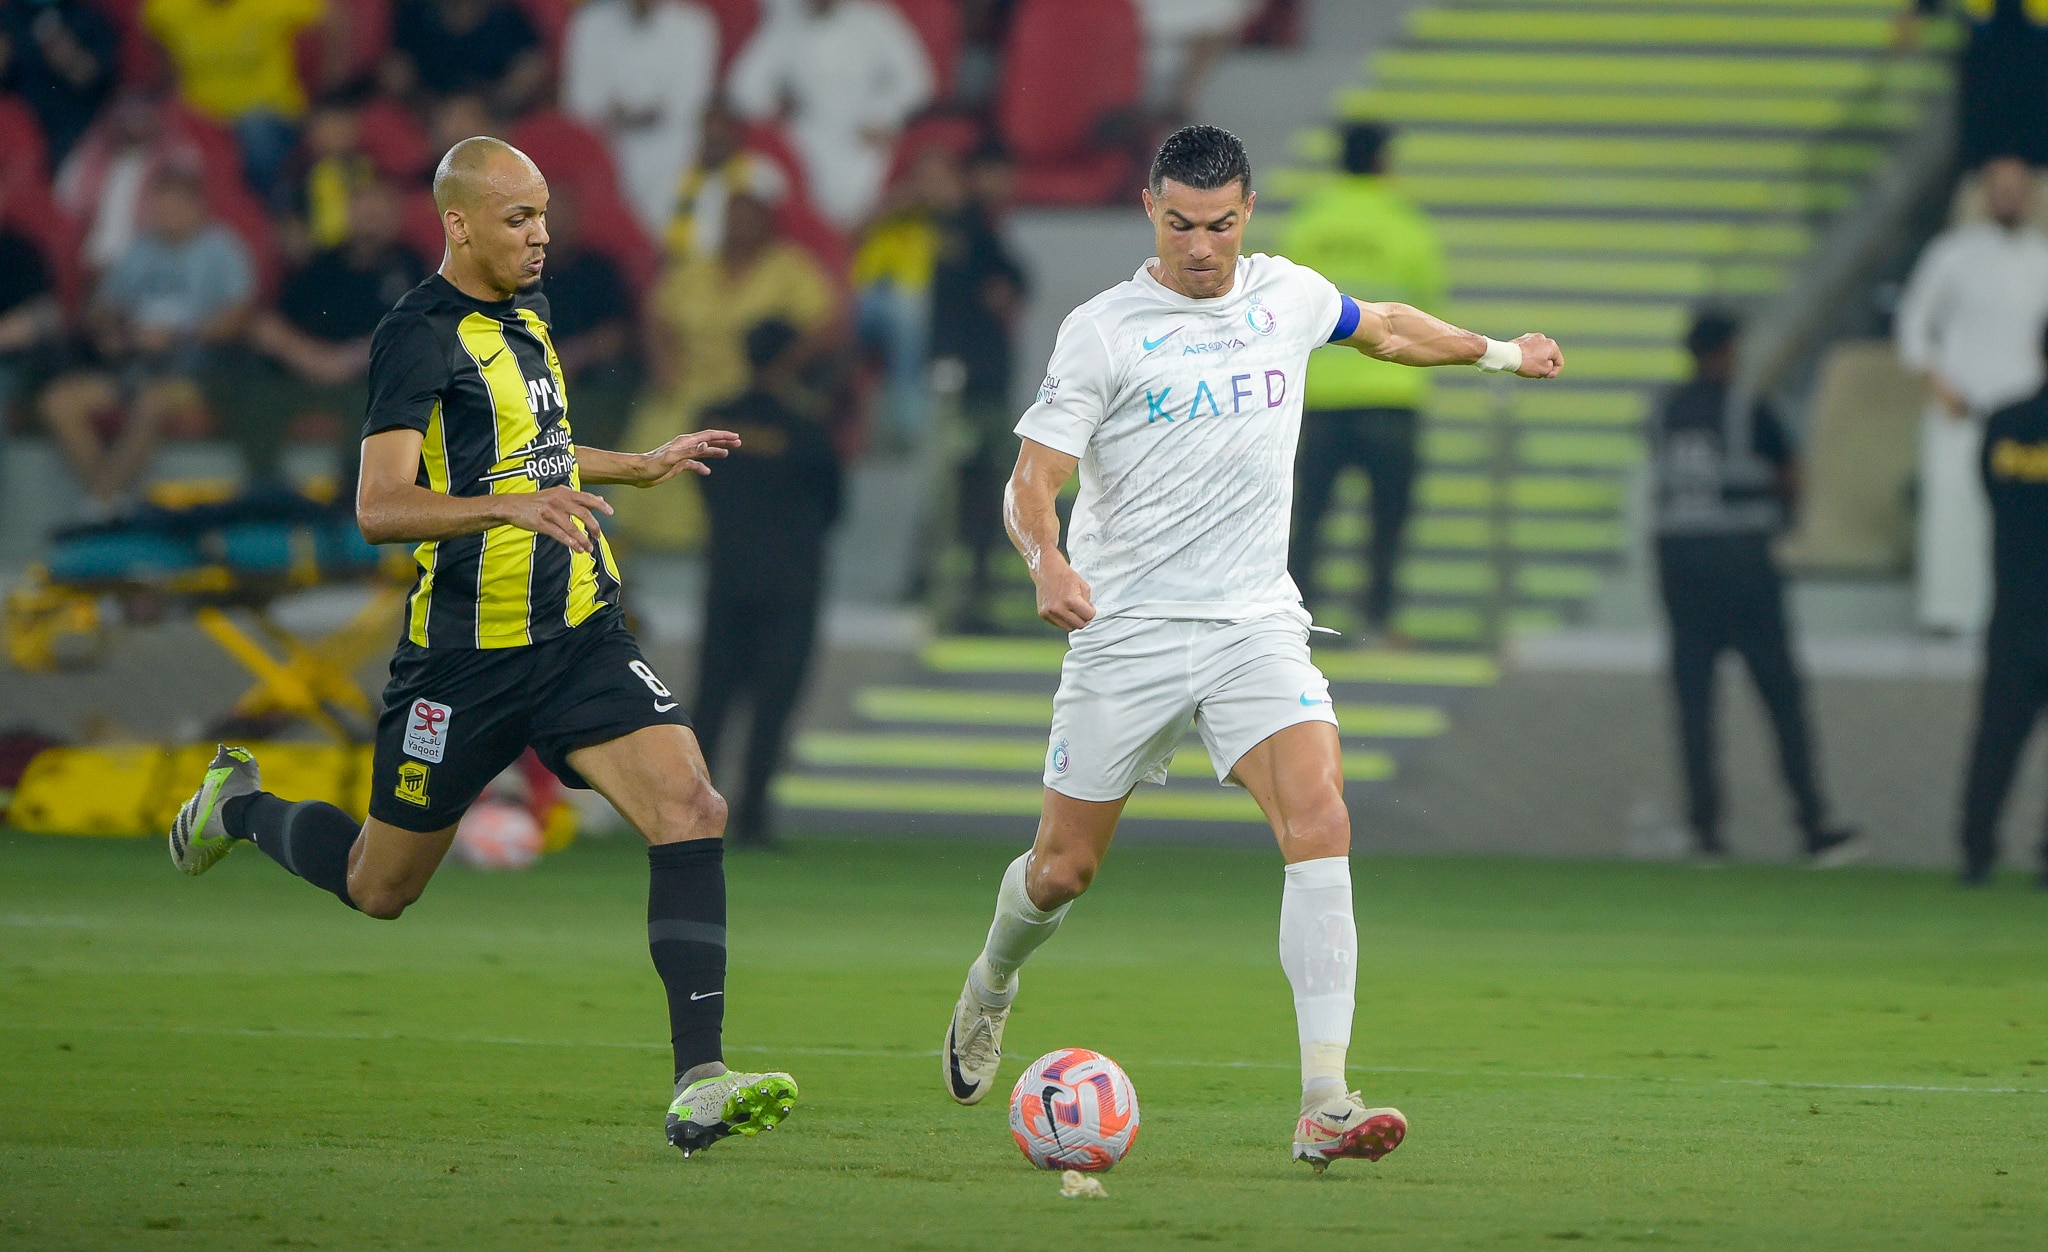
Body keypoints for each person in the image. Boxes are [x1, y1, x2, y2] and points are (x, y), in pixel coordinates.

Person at [937, 125, 1563, 1172]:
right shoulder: (1102, 331)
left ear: (1247, 212)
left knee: (1320, 816)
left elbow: (1386, 329)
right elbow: (1031, 478)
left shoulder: (1286, 295)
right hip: (1124, 631)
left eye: (1220, 224)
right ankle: (992, 979)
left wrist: (1496, 353)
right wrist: (1045, 561)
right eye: (1180, 224)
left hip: (1250, 626)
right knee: (1060, 871)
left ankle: (1324, 1099)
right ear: (1149, 210)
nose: (1200, 247)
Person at [163, 135, 800, 1157]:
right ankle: (237, 806)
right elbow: (378, 507)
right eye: (517, 218)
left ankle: (701, 1079)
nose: (541, 234)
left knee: (690, 804)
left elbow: (531, 453)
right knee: (381, 885)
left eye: (543, 213)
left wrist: (632, 466)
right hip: (461, 659)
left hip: (579, 633)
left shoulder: (529, 317)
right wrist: (510, 509)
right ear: (458, 224)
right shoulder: (416, 334)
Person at [1649, 311, 1862, 866]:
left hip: (1681, 573)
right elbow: (1791, 474)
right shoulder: (1747, 407)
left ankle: (1705, 832)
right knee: (1782, 700)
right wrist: (1786, 518)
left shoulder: (1666, 410)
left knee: (1695, 707)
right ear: (1725, 351)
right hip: (1744, 570)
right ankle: (1813, 824)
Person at [1282, 121, 1445, 645]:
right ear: (1383, 161)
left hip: (1322, 399)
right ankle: (1377, 621)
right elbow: (1429, 311)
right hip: (1390, 396)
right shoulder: (1407, 225)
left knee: (1308, 520)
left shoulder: (1309, 224)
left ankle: (1293, 625)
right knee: (1387, 524)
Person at [694, 318, 842, 848]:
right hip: (790, 584)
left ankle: (690, 813)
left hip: (727, 575)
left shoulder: (710, 419)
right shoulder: (807, 428)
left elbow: (702, 490)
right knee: (772, 703)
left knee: (712, 699)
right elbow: (832, 506)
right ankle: (753, 816)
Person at [1895, 155, 2048, 634]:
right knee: (1956, 523)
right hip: (1963, 411)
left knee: (2022, 527)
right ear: (1984, 194)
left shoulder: (2043, 257)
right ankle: (1950, 617)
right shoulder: (1952, 254)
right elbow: (1914, 325)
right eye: (1999, 188)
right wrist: (1939, 384)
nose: (2008, 197)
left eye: (2017, 188)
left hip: (2025, 421)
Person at [40, 170, 253, 509]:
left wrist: (177, 336)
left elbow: (238, 318)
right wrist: (112, 331)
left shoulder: (222, 249)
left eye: (175, 206)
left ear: (198, 207)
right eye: (160, 206)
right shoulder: (139, 249)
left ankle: (99, 505)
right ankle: (108, 500)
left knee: (153, 401)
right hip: (134, 364)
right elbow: (103, 308)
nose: (166, 214)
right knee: (60, 401)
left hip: (197, 369)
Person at [214, 177, 424, 490]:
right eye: (363, 207)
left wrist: (347, 360)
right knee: (257, 391)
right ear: (349, 213)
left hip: (366, 378)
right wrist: (313, 360)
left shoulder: (410, 266)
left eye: (380, 210)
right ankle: (264, 491)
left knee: (382, 401)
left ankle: (357, 500)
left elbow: (416, 331)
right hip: (304, 372)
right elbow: (270, 327)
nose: (371, 218)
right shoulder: (321, 264)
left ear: (394, 216)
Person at [1957, 322, 2048, 888]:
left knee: (1996, 738)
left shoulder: (2005, 423)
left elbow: (1990, 493)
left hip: (2014, 607)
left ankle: (1975, 851)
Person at [929, 140, 1027, 631]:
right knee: (965, 490)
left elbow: (1014, 283)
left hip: (981, 382)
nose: (1003, 185)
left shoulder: (982, 232)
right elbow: (984, 292)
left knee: (978, 489)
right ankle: (952, 598)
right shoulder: (965, 233)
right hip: (970, 386)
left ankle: (963, 595)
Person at [726, 0, 933, 228]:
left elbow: (917, 80)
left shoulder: (874, 19)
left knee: (867, 202)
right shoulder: (786, 25)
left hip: (865, 131)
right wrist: (775, 106)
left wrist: (883, 115)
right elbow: (742, 87)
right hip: (807, 133)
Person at [142, 0, 345, 201]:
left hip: (270, 115)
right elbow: (152, 34)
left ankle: (273, 212)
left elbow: (334, 18)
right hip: (200, 116)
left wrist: (331, 97)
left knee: (256, 132)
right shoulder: (169, 7)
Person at [561, 0, 719, 237]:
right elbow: (578, 102)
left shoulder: (694, 24)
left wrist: (639, 114)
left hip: (672, 150)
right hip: (607, 148)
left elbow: (693, 101)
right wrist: (623, 114)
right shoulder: (589, 22)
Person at [534, 183, 637, 451]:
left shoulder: (599, 268)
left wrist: (573, 357)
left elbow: (615, 335)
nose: (554, 221)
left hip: (588, 377)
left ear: (578, 216)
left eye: (562, 212)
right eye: (546, 213)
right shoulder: (516, 270)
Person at [0, 0, 120, 166]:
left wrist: (70, 58)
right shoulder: (7, 19)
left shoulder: (86, 16)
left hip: (79, 139)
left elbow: (104, 82)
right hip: (21, 140)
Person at [385, 0, 547, 116]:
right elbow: (394, 71)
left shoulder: (509, 18)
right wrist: (429, 108)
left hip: (493, 115)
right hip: (424, 114)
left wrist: (491, 108)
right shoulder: (415, 15)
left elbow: (530, 68)